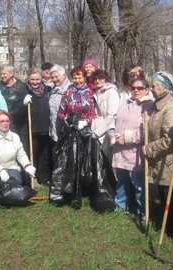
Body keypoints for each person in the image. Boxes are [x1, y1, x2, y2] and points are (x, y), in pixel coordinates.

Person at [50, 67, 97, 209]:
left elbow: (93, 114)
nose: (77, 81)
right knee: (67, 162)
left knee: (83, 163)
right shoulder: (68, 92)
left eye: (80, 77)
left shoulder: (90, 94)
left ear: (84, 78)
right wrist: (67, 120)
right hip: (69, 133)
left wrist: (85, 122)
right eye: (75, 78)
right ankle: (66, 191)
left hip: (83, 134)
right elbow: (61, 112)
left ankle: (83, 191)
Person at [142, 71, 173, 235]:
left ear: (165, 88)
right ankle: (168, 225)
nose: (151, 88)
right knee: (163, 193)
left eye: (154, 86)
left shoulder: (170, 108)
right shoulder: (158, 106)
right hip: (159, 160)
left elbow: (170, 140)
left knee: (169, 196)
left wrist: (149, 148)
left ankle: (171, 228)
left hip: (168, 161)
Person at [110, 78, 154, 223]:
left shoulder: (149, 106)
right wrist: (111, 132)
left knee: (138, 185)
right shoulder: (126, 103)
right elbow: (114, 119)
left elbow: (146, 131)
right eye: (133, 88)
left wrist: (126, 137)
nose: (136, 90)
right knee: (121, 181)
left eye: (140, 88)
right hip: (120, 150)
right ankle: (121, 206)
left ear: (146, 89)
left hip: (135, 154)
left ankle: (142, 211)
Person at [0, 110, 36, 184]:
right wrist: (0, 170)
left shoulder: (15, 137)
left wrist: (27, 166)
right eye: (2, 121)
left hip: (12, 168)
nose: (5, 123)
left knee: (16, 182)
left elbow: (21, 154)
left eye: (7, 121)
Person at [23, 68, 51, 185]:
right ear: (29, 79)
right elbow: (16, 112)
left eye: (37, 79)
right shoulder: (24, 91)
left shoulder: (47, 90)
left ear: (41, 79)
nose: (35, 82)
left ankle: (43, 179)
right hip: (31, 130)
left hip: (45, 128)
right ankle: (31, 179)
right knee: (32, 155)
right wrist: (23, 104)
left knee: (44, 156)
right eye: (32, 79)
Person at [0, 65, 29, 135]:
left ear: (11, 74)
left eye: (4, 74)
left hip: (18, 123)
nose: (2, 76)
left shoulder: (21, 86)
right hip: (3, 121)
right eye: (1, 74)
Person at [48, 65, 71, 152]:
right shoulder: (53, 89)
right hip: (54, 131)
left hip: (65, 132)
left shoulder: (70, 89)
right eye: (52, 77)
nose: (54, 79)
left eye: (56, 77)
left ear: (63, 75)